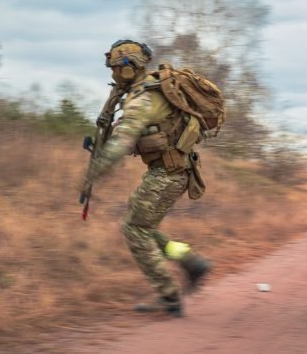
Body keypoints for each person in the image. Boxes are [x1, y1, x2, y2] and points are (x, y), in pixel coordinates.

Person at [78, 39, 212, 317]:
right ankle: (190, 262)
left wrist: (93, 172)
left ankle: (169, 295)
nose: (113, 73)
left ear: (126, 68)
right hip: (171, 170)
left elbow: (122, 141)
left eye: (114, 67)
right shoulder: (151, 88)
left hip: (169, 172)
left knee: (134, 229)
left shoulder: (142, 99)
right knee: (144, 227)